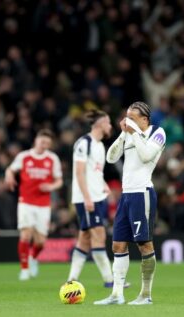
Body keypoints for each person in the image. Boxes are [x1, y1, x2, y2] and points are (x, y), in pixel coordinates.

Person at [94, 101, 166, 305]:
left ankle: (145, 294)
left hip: (142, 192)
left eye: (132, 118)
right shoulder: (129, 133)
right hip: (126, 195)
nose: (127, 121)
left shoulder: (157, 133)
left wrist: (133, 132)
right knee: (117, 245)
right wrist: (123, 135)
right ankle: (117, 294)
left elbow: (146, 156)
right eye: (127, 117)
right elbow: (111, 158)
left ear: (144, 119)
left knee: (144, 244)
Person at [67, 109, 123, 288]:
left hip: (97, 197)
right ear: (99, 124)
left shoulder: (99, 146)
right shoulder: (84, 143)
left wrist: (104, 186)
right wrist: (87, 198)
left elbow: (95, 172)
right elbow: (79, 172)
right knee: (99, 236)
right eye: (107, 123)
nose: (110, 126)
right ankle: (110, 280)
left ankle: (72, 279)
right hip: (87, 199)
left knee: (84, 239)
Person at [5, 129, 62, 281]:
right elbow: (10, 169)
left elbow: (59, 180)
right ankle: (24, 269)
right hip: (26, 202)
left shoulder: (52, 158)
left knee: (41, 241)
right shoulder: (24, 156)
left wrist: (51, 187)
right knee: (25, 234)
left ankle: (33, 258)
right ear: (36, 140)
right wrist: (9, 176)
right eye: (43, 142)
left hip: (43, 204)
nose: (44, 145)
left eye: (48, 144)